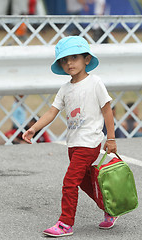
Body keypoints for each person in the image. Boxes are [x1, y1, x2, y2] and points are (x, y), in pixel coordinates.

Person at [22, 36, 117, 237]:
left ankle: (66, 223)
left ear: (87, 59)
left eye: (74, 58)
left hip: (89, 143)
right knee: (84, 182)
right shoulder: (65, 89)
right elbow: (51, 112)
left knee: (69, 182)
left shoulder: (95, 83)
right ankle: (110, 208)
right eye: (64, 60)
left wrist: (111, 139)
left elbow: (107, 110)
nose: (69, 63)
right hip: (73, 144)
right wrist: (34, 128)